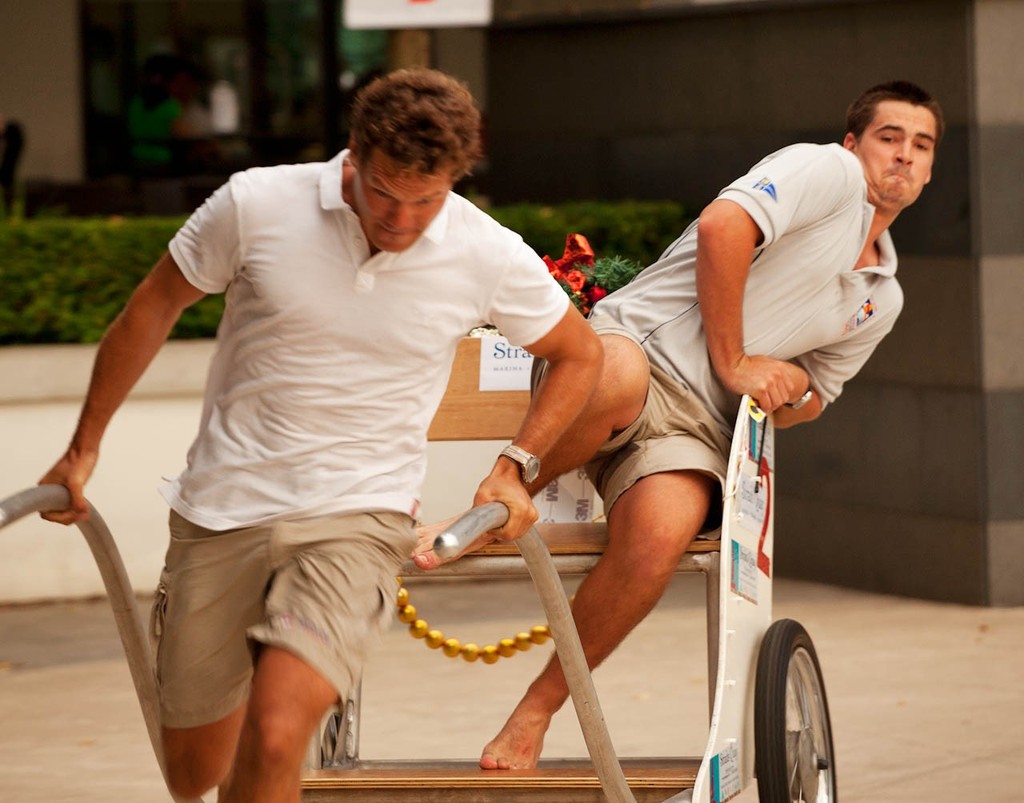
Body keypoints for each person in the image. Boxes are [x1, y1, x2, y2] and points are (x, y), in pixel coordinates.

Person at [39, 68, 602, 802]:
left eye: (426, 201)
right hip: (223, 507)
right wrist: (84, 447)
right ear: (353, 157)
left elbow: (579, 353)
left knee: (278, 733)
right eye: (384, 193)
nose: (401, 219)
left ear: (456, 182)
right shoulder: (257, 204)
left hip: (356, 519)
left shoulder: (482, 249)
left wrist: (515, 465)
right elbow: (151, 308)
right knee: (194, 773)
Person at [414, 79, 943, 769]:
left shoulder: (885, 296)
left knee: (660, 538)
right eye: (889, 137)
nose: (903, 155)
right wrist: (739, 359)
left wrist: (792, 393)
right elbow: (726, 225)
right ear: (854, 143)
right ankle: (499, 485)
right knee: (623, 374)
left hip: (691, 431)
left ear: (931, 170)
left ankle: (533, 713)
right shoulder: (829, 172)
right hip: (632, 352)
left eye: (922, 145)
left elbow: (820, 393)